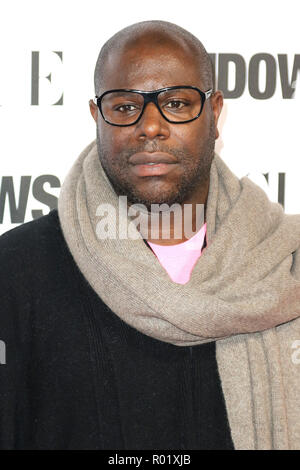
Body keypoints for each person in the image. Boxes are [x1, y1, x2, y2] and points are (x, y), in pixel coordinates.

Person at [0, 20, 300, 451]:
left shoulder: (285, 264)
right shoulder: (17, 272)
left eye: (177, 103)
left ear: (214, 115)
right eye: (125, 107)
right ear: (96, 117)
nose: (151, 127)